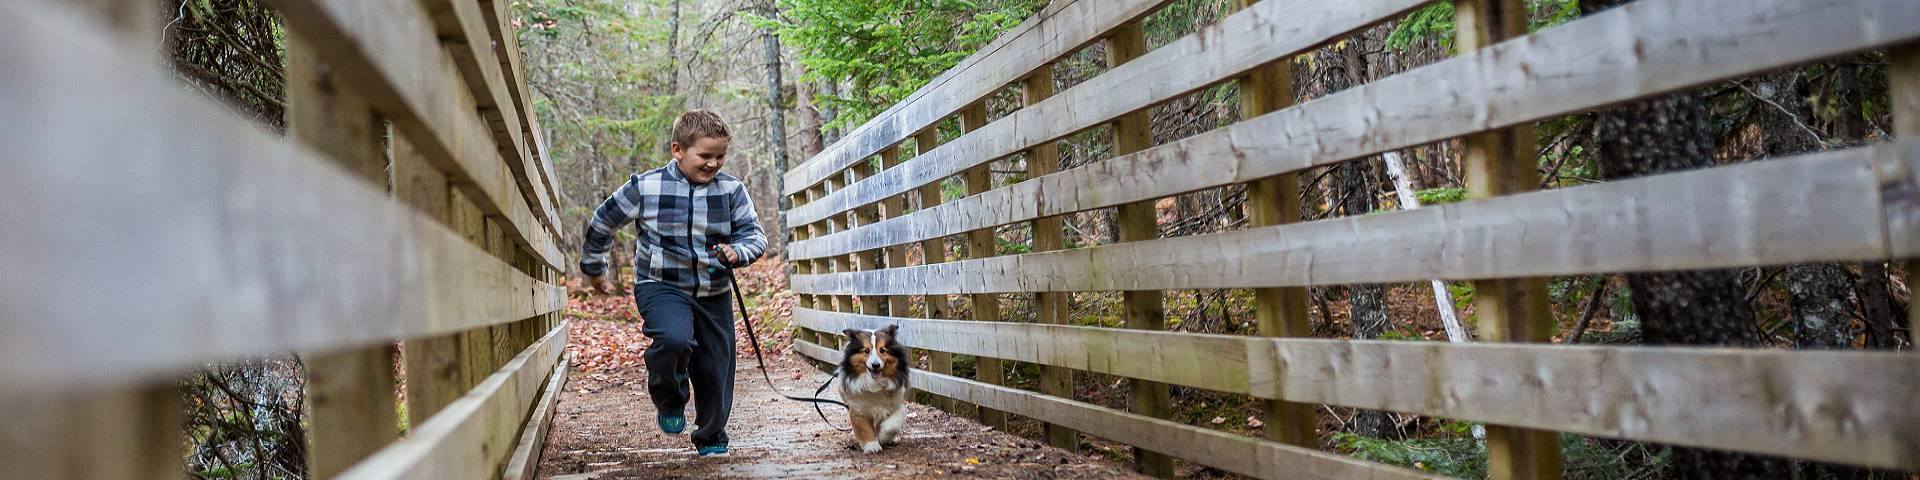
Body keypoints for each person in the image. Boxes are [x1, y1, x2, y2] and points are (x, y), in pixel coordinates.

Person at [579, 109, 767, 457]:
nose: (714, 164)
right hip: (660, 284)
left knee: (715, 366)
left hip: (714, 291)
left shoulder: (731, 190)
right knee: (673, 339)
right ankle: (670, 398)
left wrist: (737, 252)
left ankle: (711, 436)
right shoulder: (646, 187)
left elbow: (755, 236)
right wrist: (593, 267)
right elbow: (603, 221)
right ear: (677, 150)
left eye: (721, 156)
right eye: (705, 156)